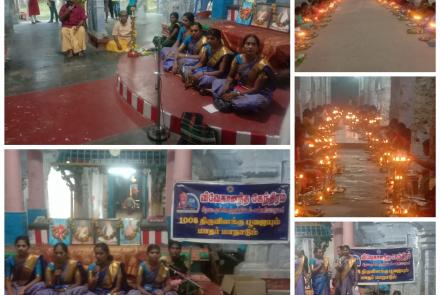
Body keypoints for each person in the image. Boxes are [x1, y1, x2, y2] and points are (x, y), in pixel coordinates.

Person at [212, 34, 275, 113]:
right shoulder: (238, 58)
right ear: (243, 46)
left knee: (253, 101)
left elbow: (256, 89)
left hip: (254, 92)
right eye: (248, 44)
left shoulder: (262, 65)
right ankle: (229, 100)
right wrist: (226, 85)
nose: (250, 47)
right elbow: (230, 77)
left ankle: (229, 101)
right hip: (240, 86)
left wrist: (237, 94)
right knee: (217, 83)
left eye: (253, 44)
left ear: (258, 48)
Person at [184, 28, 232, 93]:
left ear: (218, 40)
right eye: (208, 38)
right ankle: (199, 85)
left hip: (216, 75)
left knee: (205, 80)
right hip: (207, 70)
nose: (209, 41)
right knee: (186, 70)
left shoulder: (224, 52)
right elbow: (201, 63)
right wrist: (191, 68)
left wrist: (203, 73)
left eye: (212, 39)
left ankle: (198, 84)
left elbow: (220, 72)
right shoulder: (208, 47)